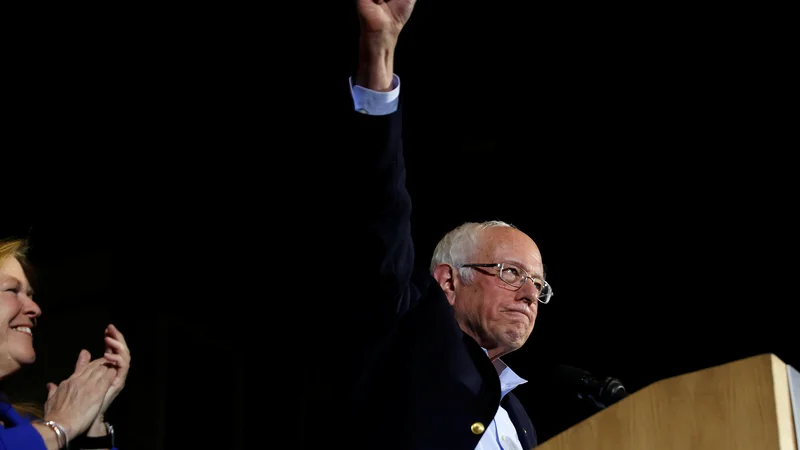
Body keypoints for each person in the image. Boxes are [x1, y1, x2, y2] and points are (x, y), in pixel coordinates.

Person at [304, 2, 554, 449]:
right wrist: (379, 54)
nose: (531, 294)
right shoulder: (408, 332)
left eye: (539, 284)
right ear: (448, 281)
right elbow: (381, 211)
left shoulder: (519, 417)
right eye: (511, 273)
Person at [0, 237, 130, 450]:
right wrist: (61, 425)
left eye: (31, 295)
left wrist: (89, 421)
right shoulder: (47, 430)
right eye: (12, 291)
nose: (35, 308)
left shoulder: (25, 425)